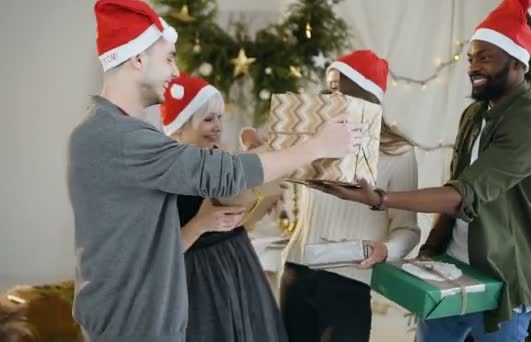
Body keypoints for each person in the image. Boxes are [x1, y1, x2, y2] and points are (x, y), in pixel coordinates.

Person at [67, 1, 360, 341]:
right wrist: (316, 146)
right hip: (135, 325)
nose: (175, 72)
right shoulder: (121, 137)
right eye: (168, 58)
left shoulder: (105, 130)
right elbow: (221, 174)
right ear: (137, 59)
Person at [308, 1, 531, 341]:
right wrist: (430, 249)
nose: (473, 66)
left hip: (501, 283)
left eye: (485, 57)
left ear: (517, 60)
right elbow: (454, 184)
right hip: (451, 273)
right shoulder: (475, 115)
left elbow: (462, 195)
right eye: (471, 58)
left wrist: (380, 198)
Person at [279, 50, 421, 342]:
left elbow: (407, 228)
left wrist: (386, 250)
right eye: (327, 87)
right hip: (297, 274)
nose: (327, 97)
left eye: (335, 88)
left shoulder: (399, 152)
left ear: (363, 94)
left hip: (350, 282)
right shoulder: (313, 137)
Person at [159, 72, 288, 342]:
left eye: (219, 118)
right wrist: (201, 223)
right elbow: (158, 255)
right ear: (180, 126)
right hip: (199, 281)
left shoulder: (220, 160)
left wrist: (263, 198)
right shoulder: (167, 175)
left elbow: (243, 213)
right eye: (208, 119)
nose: (218, 126)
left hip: (239, 265)